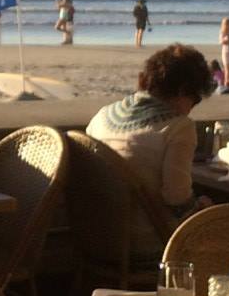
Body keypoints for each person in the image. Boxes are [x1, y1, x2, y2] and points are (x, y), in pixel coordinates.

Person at [86, 44, 213, 258]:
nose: (193, 107)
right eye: (196, 98)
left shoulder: (102, 116)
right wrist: (203, 207)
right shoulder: (178, 127)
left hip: (96, 237)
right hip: (147, 242)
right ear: (183, 91)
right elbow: (176, 198)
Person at [220, 17, 229, 85]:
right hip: (226, 53)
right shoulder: (223, 32)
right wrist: (225, 40)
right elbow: (221, 42)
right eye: (228, 23)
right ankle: (227, 84)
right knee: (228, 70)